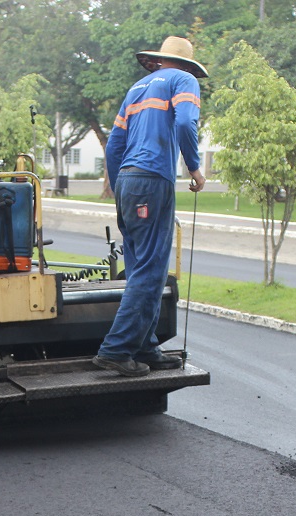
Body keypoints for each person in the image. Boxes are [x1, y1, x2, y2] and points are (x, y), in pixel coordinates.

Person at [93, 36, 207, 377]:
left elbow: (114, 146)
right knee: (151, 269)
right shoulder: (183, 80)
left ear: (158, 60)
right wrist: (195, 168)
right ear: (187, 65)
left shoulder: (136, 90)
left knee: (142, 265)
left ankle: (145, 345)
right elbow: (186, 123)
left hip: (128, 180)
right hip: (154, 179)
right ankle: (116, 349)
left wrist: (119, 189)